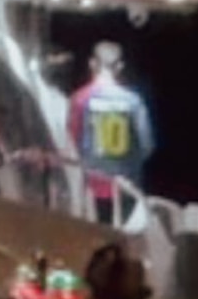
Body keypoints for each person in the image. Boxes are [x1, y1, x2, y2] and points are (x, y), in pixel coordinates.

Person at [65, 41, 155, 226]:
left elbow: (71, 145)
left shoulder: (80, 99)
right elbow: (147, 146)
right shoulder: (134, 102)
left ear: (92, 64)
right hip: (127, 189)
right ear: (120, 67)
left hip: (92, 188)